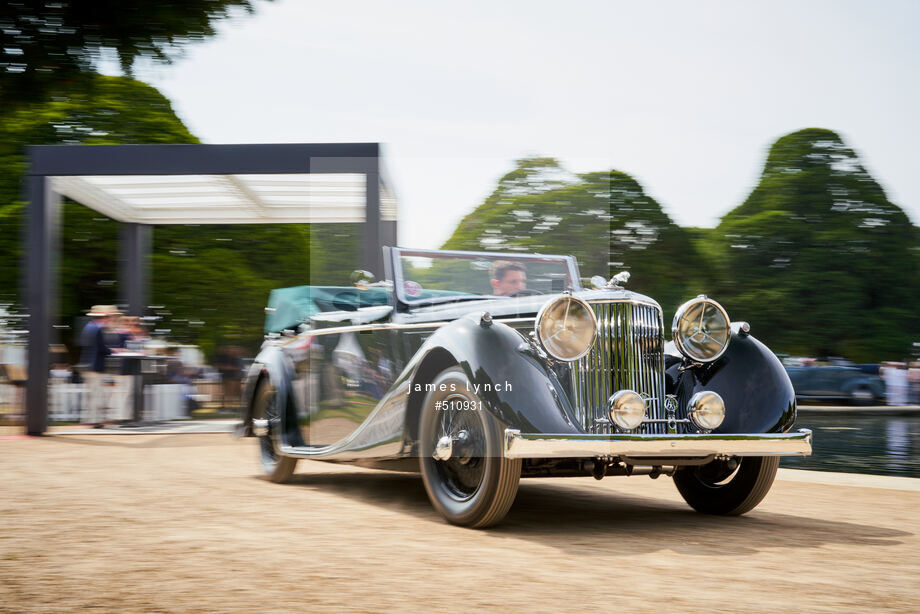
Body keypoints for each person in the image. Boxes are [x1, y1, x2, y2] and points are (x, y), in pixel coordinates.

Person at [78, 305, 118, 427]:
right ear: (104, 317)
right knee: (96, 394)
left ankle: (87, 419)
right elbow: (101, 348)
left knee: (90, 394)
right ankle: (95, 420)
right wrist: (112, 351)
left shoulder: (87, 327)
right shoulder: (99, 329)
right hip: (95, 365)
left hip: (86, 364)